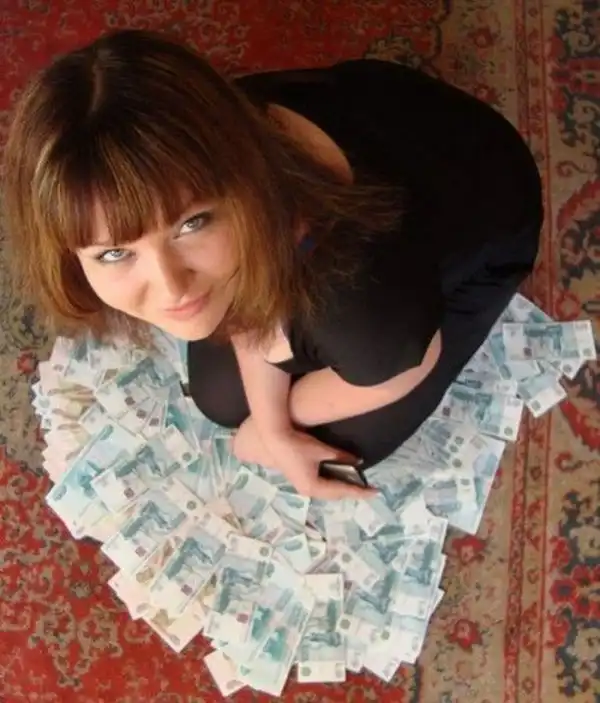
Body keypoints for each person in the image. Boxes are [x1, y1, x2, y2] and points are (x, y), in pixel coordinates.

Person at [3, 30, 543, 501]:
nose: (170, 288)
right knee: (220, 400)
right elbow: (250, 318)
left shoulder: (366, 307)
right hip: (383, 116)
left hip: (482, 211)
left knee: (346, 447)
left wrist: (273, 432)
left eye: (192, 223)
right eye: (114, 253)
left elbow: (406, 365)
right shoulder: (201, 139)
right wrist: (272, 429)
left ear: (248, 189)